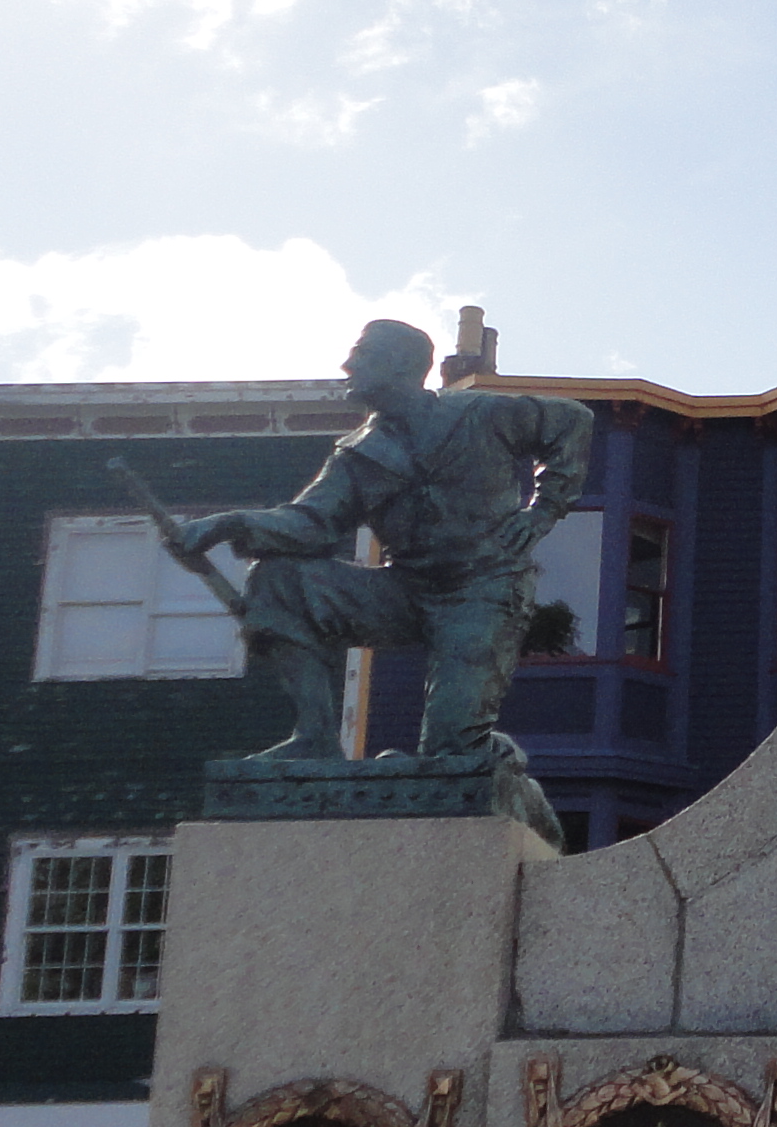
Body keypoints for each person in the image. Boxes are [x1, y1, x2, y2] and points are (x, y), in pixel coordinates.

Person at [161, 319, 597, 790]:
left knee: (451, 756)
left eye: (361, 354)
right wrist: (228, 524)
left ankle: (496, 756)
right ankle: (314, 738)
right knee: (280, 577)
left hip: (483, 590)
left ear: (400, 365)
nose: (347, 365)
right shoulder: (358, 454)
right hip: (405, 590)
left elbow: (574, 420)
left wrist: (544, 509)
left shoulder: (478, 413)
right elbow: (310, 523)